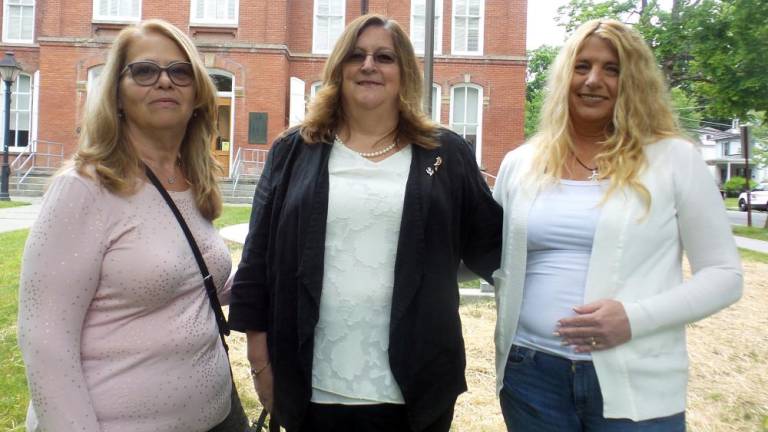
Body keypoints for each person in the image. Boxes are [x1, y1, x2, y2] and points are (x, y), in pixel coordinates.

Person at [228, 13, 502, 432]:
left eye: (384, 57)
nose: (369, 65)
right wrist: (260, 362)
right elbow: (257, 260)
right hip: (311, 381)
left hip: (413, 387)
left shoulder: (443, 154)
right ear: (338, 69)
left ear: (404, 72)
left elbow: (495, 245)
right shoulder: (294, 150)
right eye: (356, 55)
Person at [492, 19, 742, 431]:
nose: (594, 80)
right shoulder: (522, 163)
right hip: (531, 377)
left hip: (636, 380)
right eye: (582, 65)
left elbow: (725, 276)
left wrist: (634, 317)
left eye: (612, 68)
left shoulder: (674, 160)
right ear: (564, 75)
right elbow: (486, 252)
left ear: (634, 81)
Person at [17, 19, 246, 431]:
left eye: (180, 72)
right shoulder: (84, 188)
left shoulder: (190, 182)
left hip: (219, 415)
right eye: (144, 71)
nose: (165, 82)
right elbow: (45, 341)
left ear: (197, 95)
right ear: (117, 94)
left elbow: (191, 284)